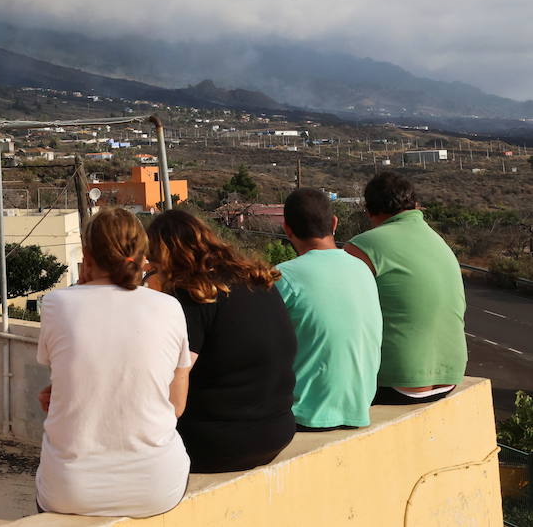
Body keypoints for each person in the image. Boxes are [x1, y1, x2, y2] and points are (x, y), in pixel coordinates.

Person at [35, 209, 192, 517]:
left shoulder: (57, 303)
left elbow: (74, 365)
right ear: (142, 256)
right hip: (157, 487)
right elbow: (175, 405)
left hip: (71, 490)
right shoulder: (169, 306)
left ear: (87, 255)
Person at [146, 208, 296, 473]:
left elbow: (167, 379)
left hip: (217, 442)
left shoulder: (193, 295)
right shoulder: (257, 280)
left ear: (163, 259)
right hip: (277, 431)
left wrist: (153, 297)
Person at [344, 172, 467, 404]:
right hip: (451, 377)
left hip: (399, 382)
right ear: (415, 205)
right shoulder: (439, 241)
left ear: (369, 211)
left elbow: (340, 316)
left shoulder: (363, 246)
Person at [277, 188, 382, 429]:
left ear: (287, 229)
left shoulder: (282, 276)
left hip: (303, 415)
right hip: (360, 407)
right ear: (334, 224)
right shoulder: (362, 269)